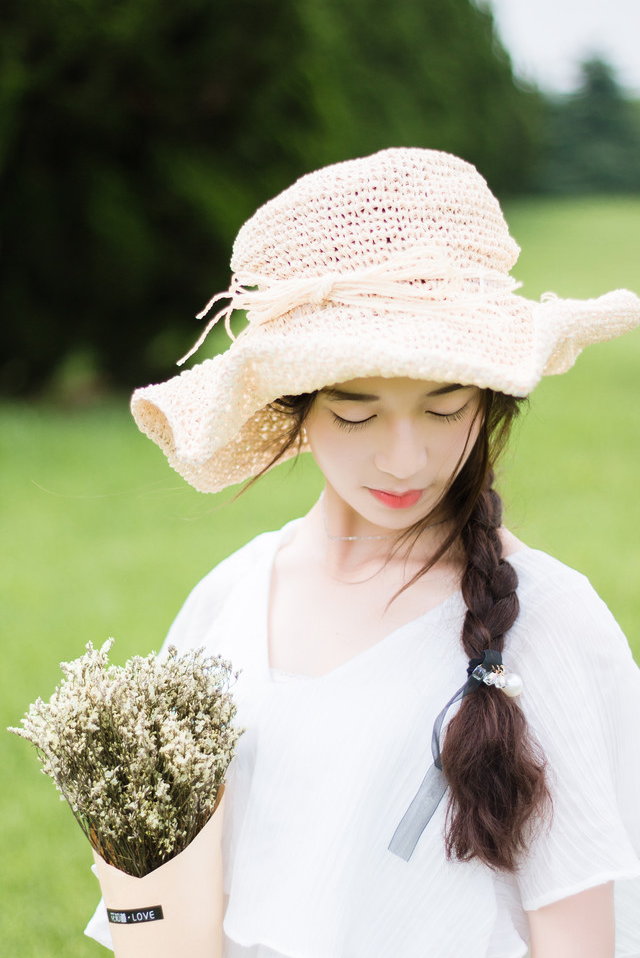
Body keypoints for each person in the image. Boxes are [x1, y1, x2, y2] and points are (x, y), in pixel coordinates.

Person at [86, 148, 640, 957]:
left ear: (489, 403)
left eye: (445, 406)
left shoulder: (548, 623)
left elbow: (580, 934)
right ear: (297, 410)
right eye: (357, 414)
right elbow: (164, 904)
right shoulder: (231, 601)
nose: (406, 458)